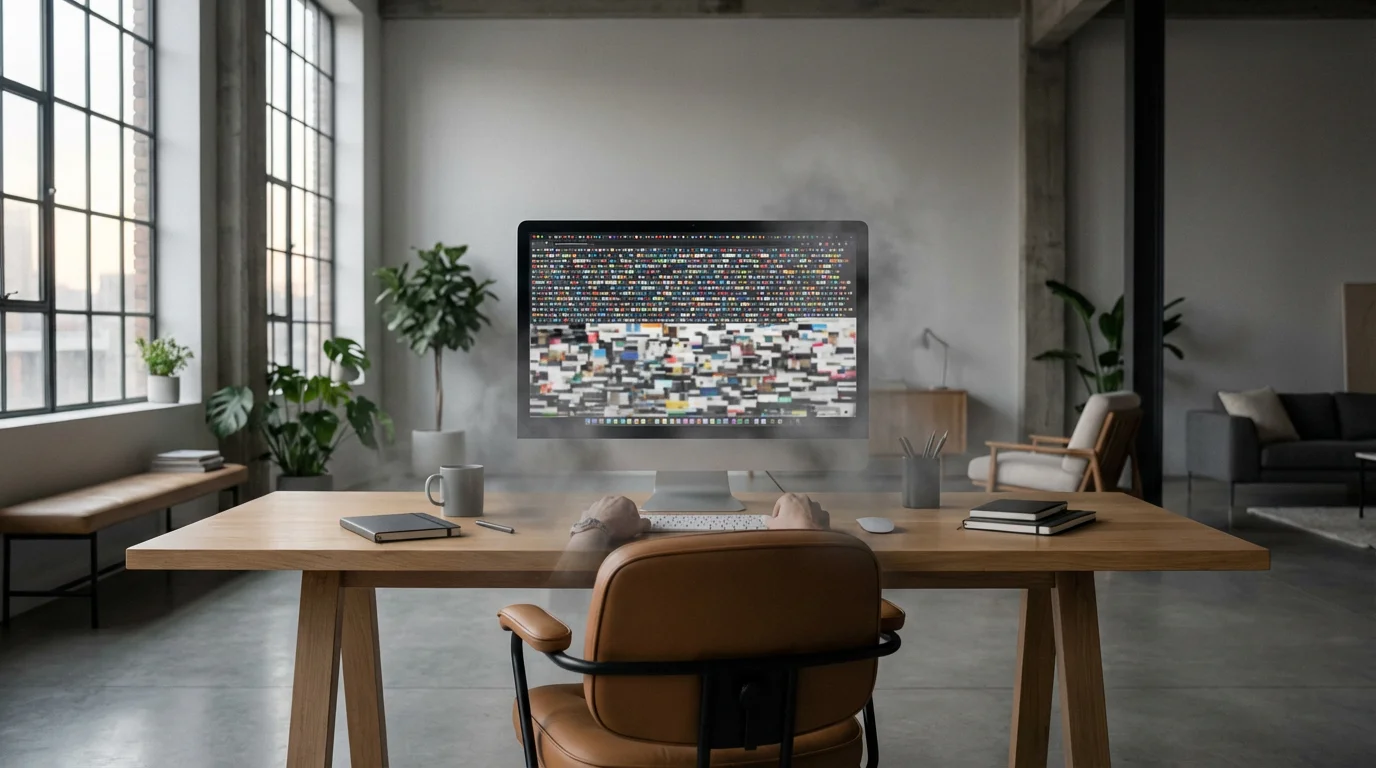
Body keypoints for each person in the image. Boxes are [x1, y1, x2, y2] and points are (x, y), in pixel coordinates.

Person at [565, 492, 831, 553]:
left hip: (636, 696)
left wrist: (595, 525)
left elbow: (565, 581)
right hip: (796, 695)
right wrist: (809, 534)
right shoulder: (850, 561)